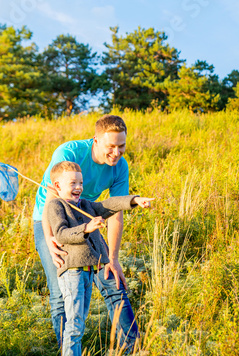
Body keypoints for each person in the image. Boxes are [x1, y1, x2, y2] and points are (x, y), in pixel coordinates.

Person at [33, 115, 140, 351]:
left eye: (121, 146)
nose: (116, 152)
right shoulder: (69, 152)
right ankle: (69, 348)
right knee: (62, 292)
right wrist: (52, 242)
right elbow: (52, 204)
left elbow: (115, 212)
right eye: (110, 146)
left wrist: (113, 258)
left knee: (112, 281)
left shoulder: (120, 167)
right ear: (96, 140)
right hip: (51, 220)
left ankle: (130, 348)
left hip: (87, 218)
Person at [47, 160, 153, 356]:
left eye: (80, 182)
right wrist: (86, 228)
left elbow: (108, 205)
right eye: (72, 183)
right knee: (75, 323)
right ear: (58, 186)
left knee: (80, 321)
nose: (79, 187)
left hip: (87, 271)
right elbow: (61, 234)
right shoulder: (56, 206)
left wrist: (134, 200)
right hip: (72, 272)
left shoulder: (86, 205)